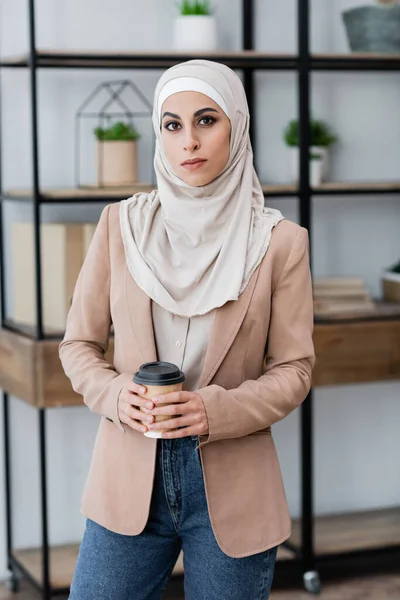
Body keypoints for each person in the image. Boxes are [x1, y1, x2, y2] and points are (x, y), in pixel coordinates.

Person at [59, 59, 315, 600]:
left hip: (233, 487)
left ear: (237, 127)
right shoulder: (120, 225)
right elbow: (79, 343)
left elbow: (294, 370)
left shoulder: (280, 242)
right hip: (128, 478)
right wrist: (114, 394)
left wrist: (213, 410)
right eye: (172, 125)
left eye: (206, 120)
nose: (189, 141)